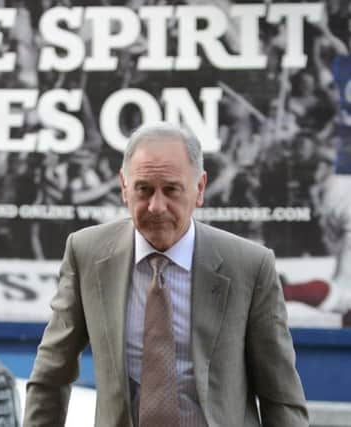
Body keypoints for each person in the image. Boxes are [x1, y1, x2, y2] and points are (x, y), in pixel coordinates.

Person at [24, 122, 308, 426]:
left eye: (171, 189)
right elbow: (50, 377)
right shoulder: (87, 254)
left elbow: (281, 398)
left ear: (199, 188)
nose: (156, 206)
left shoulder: (250, 267)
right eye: (143, 189)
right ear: (123, 186)